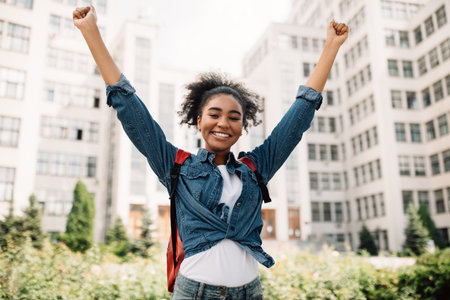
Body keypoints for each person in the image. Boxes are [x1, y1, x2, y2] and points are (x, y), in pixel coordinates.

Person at [73, 5, 348, 299]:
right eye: (214, 114)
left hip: (249, 292)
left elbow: (298, 117)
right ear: (198, 120)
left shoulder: (256, 169)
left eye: (234, 117)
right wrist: (91, 32)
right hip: (195, 292)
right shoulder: (176, 166)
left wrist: (331, 46)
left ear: (243, 126)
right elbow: (130, 109)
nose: (223, 123)